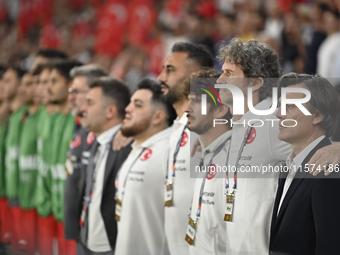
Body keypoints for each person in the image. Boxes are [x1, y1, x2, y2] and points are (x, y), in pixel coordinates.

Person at [215, 37, 340, 254]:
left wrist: (337, 147)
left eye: (229, 73)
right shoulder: (240, 126)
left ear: (255, 82)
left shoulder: (272, 123)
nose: (219, 80)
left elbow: (317, 138)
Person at [270, 73, 340, 254]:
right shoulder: (288, 167)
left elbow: (330, 246)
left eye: (289, 107)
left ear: (317, 115)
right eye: (279, 106)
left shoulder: (328, 169)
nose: (278, 114)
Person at [157, 42, 214, 255]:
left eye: (170, 69)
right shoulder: (178, 127)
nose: (161, 77)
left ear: (196, 75)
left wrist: (327, 148)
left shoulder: (209, 124)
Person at [115, 79, 176, 255]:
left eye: (138, 105)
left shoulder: (169, 151)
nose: (127, 109)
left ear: (158, 116)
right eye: (130, 103)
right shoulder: (137, 148)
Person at [77, 77, 131, 255]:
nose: (82, 109)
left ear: (110, 111)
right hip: (87, 241)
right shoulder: (97, 140)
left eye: (90, 103)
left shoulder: (128, 146)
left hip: (111, 247)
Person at [183, 69, 233, 255]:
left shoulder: (234, 157)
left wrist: (332, 148)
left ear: (220, 110)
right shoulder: (211, 152)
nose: (187, 108)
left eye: (196, 101)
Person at [36, 60, 82, 255]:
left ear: (69, 84)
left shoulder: (80, 122)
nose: (47, 87)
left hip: (74, 218)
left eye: (54, 81)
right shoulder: (57, 118)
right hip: (54, 210)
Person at [64, 64, 107, 241]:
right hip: (82, 234)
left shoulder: (197, 129)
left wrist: (203, 81)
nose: (71, 97)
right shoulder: (82, 128)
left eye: (77, 91)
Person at [3, 66, 28, 252]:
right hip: (8, 193)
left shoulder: (26, 117)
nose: (2, 85)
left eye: (7, 80)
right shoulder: (9, 117)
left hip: (21, 197)